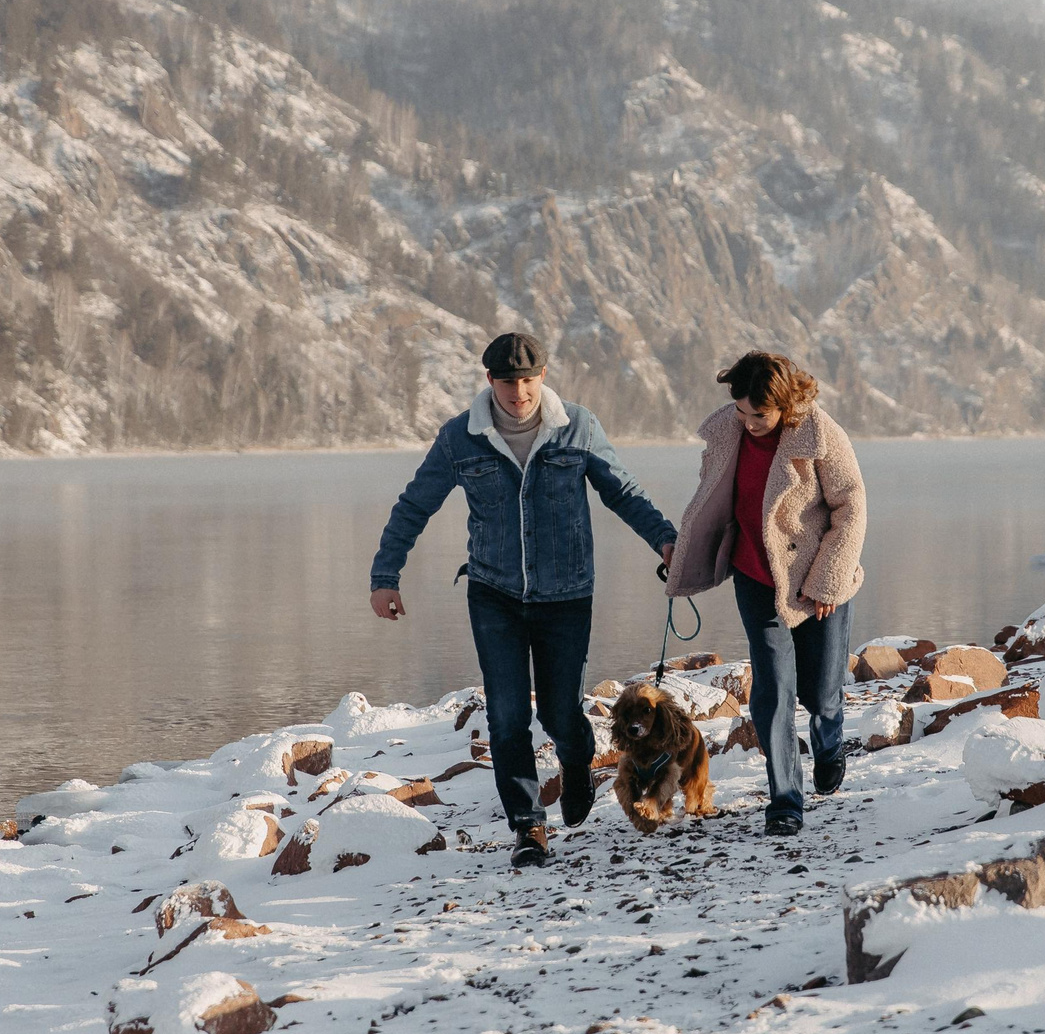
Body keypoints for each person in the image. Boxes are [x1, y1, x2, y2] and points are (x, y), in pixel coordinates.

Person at [370, 333, 679, 869]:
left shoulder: (577, 426)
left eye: (528, 380)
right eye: (508, 383)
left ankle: (577, 764)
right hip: (494, 594)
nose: (519, 393)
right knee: (507, 715)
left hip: (567, 595)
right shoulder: (461, 437)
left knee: (561, 713)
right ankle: (528, 826)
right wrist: (385, 575)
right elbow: (415, 504)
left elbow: (622, 491)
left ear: (543, 376)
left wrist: (667, 540)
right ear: (490, 380)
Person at [666, 351, 867, 836]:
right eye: (741, 411)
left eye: (759, 415)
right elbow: (713, 500)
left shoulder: (821, 434)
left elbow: (852, 507)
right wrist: (688, 551)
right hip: (756, 577)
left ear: (785, 404)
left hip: (818, 581)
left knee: (822, 690)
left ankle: (829, 739)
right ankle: (785, 800)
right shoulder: (728, 431)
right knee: (774, 693)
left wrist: (828, 580)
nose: (748, 423)